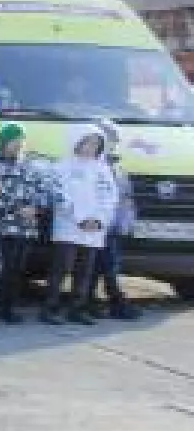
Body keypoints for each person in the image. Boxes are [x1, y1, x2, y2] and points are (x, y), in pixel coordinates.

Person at [44, 127, 118, 326]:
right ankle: (50, 308)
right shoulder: (61, 167)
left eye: (96, 144)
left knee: (84, 271)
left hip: (94, 230)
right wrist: (80, 219)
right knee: (61, 269)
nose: (91, 147)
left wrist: (99, 220)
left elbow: (110, 197)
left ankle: (77, 309)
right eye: (87, 142)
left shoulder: (103, 169)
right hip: (68, 227)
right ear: (77, 142)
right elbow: (59, 196)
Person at [0, 122, 53, 324]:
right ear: (4, 143)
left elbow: (44, 191)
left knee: (18, 268)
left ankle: (9, 307)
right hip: (2, 225)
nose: (18, 145)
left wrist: (36, 208)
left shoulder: (31, 165)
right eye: (14, 141)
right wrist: (16, 207)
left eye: (21, 141)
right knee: (5, 265)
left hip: (26, 227)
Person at [88, 120, 142, 321]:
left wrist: (127, 221)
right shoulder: (95, 166)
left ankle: (105, 301)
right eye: (110, 138)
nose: (114, 143)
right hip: (99, 225)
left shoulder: (117, 166)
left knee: (108, 265)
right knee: (101, 265)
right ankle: (114, 302)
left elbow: (126, 196)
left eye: (116, 139)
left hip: (114, 226)